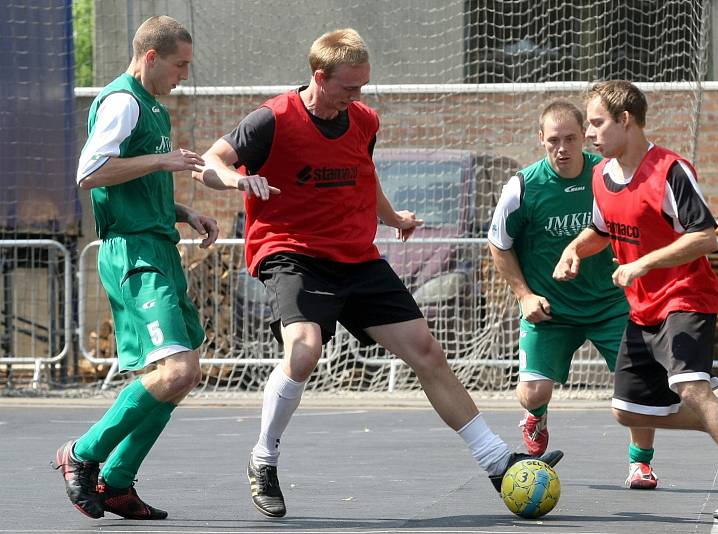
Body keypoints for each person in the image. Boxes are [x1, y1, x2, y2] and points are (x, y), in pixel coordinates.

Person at [193, 28, 562, 518]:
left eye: (363, 86)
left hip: (357, 257)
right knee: (304, 351)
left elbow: (362, 176)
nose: (357, 96)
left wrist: (394, 218)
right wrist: (241, 178)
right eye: (349, 86)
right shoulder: (272, 119)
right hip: (293, 253)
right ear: (319, 77)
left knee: (427, 351)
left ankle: (497, 463)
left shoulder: (363, 120)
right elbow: (208, 164)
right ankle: (264, 458)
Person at [553, 80, 718, 520]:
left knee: (690, 387)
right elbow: (601, 230)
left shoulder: (670, 171)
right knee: (628, 410)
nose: (590, 133)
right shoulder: (600, 175)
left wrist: (644, 264)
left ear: (625, 120)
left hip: (685, 297)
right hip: (643, 307)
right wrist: (573, 249)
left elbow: (705, 237)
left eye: (597, 123)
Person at [53, 16, 219, 520]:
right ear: (151, 57)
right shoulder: (123, 100)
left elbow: (136, 185)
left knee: (180, 374)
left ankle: (117, 481)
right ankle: (81, 454)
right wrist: (161, 162)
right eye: (180, 64)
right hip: (133, 254)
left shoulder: (151, 108)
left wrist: (183, 212)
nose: (184, 75)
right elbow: (90, 173)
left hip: (158, 246)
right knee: (178, 370)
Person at [488, 100, 659, 489]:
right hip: (550, 307)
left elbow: (638, 222)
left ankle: (641, 464)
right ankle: (537, 418)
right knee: (533, 392)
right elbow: (499, 243)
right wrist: (524, 297)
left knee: (639, 387)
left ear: (585, 136)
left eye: (569, 138)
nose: (561, 148)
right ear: (540, 140)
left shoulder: (609, 175)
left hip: (610, 304)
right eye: (552, 141)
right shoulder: (524, 185)